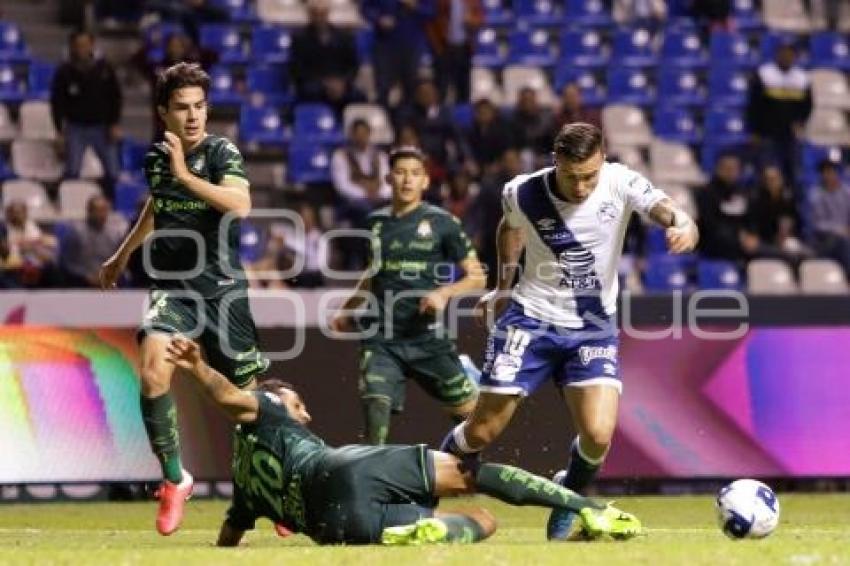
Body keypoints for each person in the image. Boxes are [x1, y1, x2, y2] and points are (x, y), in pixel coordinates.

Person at [439, 123, 699, 541]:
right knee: (482, 431)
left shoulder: (620, 182)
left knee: (597, 436)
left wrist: (683, 224)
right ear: (555, 162)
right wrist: (504, 286)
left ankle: (568, 492)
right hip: (530, 318)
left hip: (593, 329)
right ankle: (422, 489)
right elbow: (510, 228)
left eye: (589, 176)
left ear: (602, 163)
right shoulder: (522, 192)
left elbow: (671, 210)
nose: (581, 187)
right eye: (572, 176)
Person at [165, 335, 642, 545]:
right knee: (470, 477)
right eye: (298, 405)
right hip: (343, 467)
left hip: (332, 526)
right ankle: (585, 506)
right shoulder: (264, 406)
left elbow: (230, 533)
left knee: (480, 523)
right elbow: (233, 398)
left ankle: (425, 533)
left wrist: (225, 549)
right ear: (275, 400)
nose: (305, 412)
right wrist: (198, 367)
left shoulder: (244, 483)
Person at [98, 62, 269, 536]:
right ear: (162, 113)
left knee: (247, 405)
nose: (193, 116)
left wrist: (184, 174)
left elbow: (240, 205)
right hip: (173, 289)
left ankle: (276, 489)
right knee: (153, 370)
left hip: (222, 292)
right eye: (182, 108)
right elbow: (158, 205)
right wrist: (120, 255)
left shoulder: (221, 151)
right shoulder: (158, 159)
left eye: (200, 106)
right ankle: (175, 479)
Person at [329, 146, 486, 445]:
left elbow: (477, 276)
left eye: (414, 174)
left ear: (425, 181)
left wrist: (444, 293)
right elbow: (372, 274)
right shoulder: (374, 224)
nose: (407, 180)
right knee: (376, 407)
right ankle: (375, 486)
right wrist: (347, 310)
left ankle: (465, 374)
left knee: (472, 420)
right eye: (400, 173)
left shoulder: (443, 223)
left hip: (426, 337)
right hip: (382, 337)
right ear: (389, 178)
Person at [50, 30, 122, 200]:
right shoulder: (64, 71)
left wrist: (114, 123)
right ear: (72, 47)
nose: (81, 48)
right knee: (72, 170)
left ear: (92, 45)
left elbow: (115, 97)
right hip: (76, 127)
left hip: (102, 126)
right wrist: (59, 130)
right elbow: (57, 103)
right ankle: (69, 202)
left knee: (113, 170)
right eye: (77, 45)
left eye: (85, 44)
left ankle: (110, 204)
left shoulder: (105, 68)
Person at [746, 41, 812, 188]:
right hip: (767, 134)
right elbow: (754, 106)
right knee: (766, 171)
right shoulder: (764, 74)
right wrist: (755, 131)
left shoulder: (802, 78)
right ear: (777, 54)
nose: (786, 57)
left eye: (790, 54)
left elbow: (807, 106)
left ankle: (789, 201)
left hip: (790, 135)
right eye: (783, 53)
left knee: (792, 173)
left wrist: (801, 122)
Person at [61, 195, 128, 287]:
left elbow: (119, 261)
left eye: (105, 211)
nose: (102, 215)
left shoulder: (114, 235)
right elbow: (67, 263)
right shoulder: (76, 233)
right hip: (82, 282)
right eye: (99, 211)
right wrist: (86, 276)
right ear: (89, 211)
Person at [809, 160, 850, 277]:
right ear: (821, 175)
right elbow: (818, 224)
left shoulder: (847, 193)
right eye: (825, 173)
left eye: (831, 172)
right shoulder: (816, 195)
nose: (829, 176)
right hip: (826, 239)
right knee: (842, 241)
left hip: (847, 234)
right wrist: (839, 230)